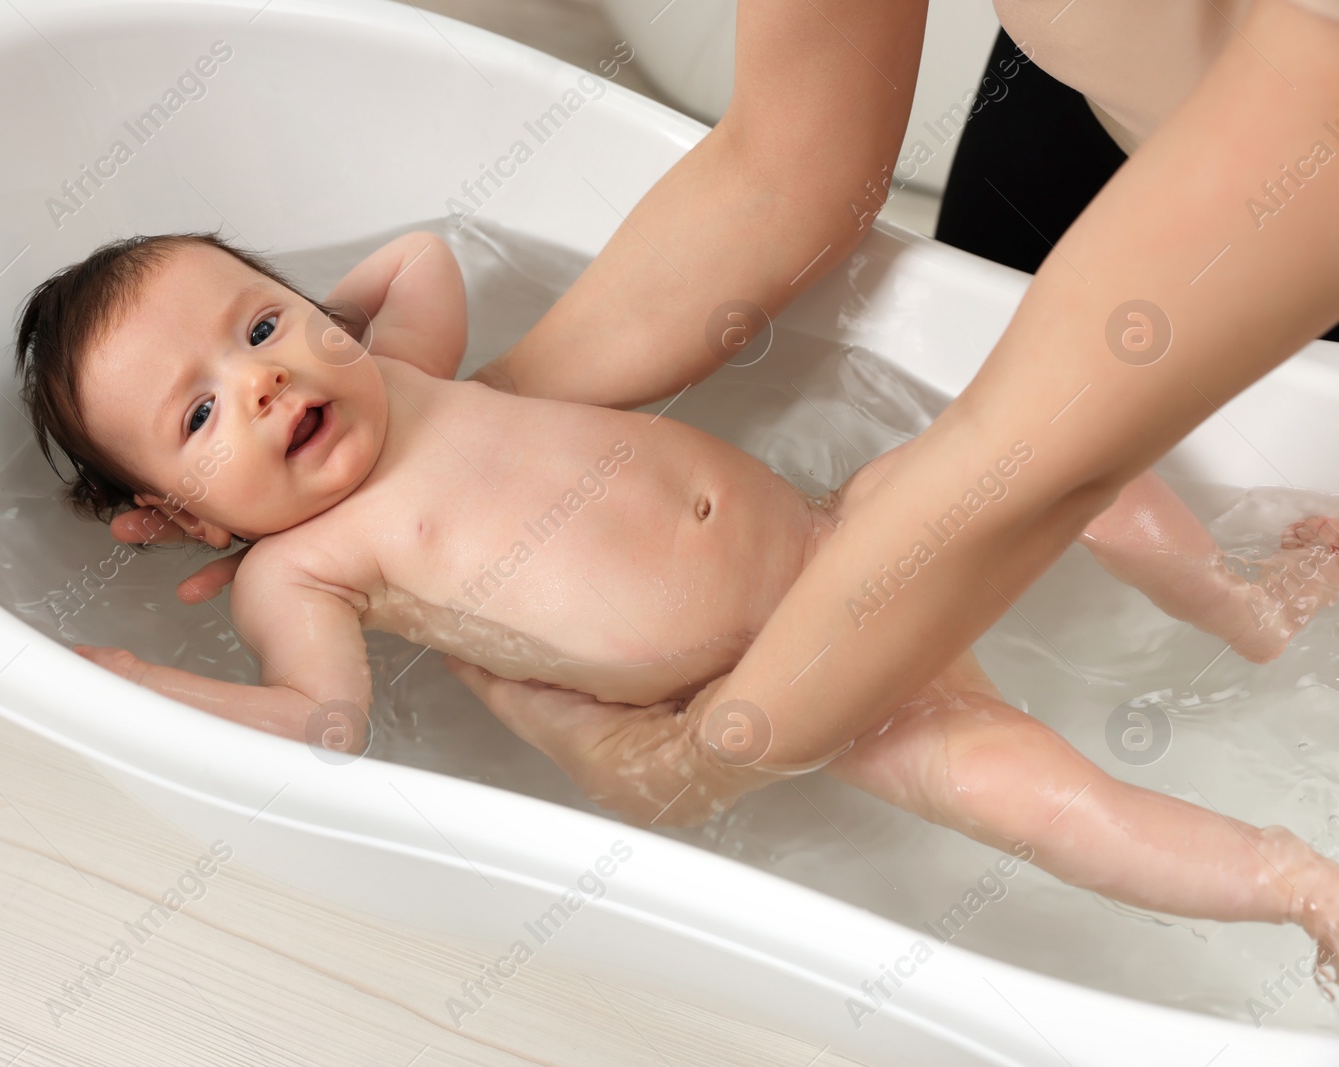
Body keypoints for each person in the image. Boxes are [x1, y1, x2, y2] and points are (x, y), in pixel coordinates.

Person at [105, 0, 1339, 825]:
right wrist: (457, 450)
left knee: (1053, 475)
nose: (256, 381)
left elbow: (1030, 465)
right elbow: (786, 168)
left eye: (259, 332)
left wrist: (692, 760)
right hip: (1103, 76)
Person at [16, 229, 1339, 960]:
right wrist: (141, 685)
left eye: (255, 325)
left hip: (840, 535)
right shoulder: (303, 564)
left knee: (1070, 451)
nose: (258, 382)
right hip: (792, 685)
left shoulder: (402, 375)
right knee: (1051, 801)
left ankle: (1239, 605)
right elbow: (321, 723)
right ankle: (1300, 884)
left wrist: (324, 322)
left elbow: (421, 253)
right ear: (176, 518)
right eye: (199, 412)